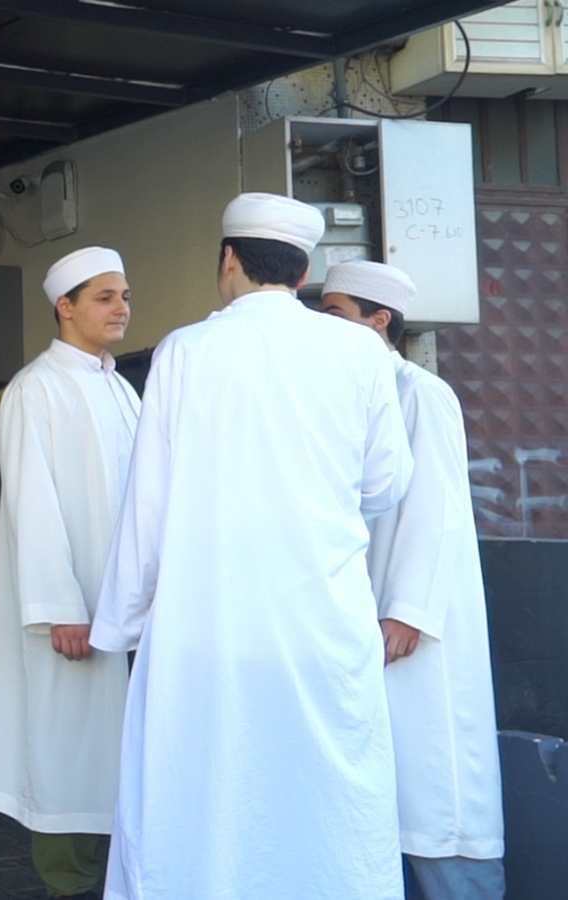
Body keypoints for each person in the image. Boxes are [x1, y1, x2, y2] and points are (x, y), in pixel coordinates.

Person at [90, 193, 414, 900]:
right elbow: (387, 483)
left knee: (207, 795)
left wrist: (120, 623)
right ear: (303, 274)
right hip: (322, 625)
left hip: (209, 627)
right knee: (324, 799)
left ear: (229, 260)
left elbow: (148, 505)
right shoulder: (359, 350)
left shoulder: (185, 351)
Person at [320, 260, 506, 900]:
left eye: (336, 313)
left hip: (412, 624)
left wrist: (406, 610)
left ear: (380, 321)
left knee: (435, 789)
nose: (323, 326)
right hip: (358, 618)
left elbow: (438, 508)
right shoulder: (339, 396)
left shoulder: (421, 393)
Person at [0, 247, 138, 900]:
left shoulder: (122, 389)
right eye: (105, 296)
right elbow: (31, 504)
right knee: (73, 751)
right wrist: (60, 607)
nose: (121, 308)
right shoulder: (34, 388)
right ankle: (67, 886)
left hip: (128, 606)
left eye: (125, 296)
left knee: (122, 754)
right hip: (75, 612)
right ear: (64, 307)